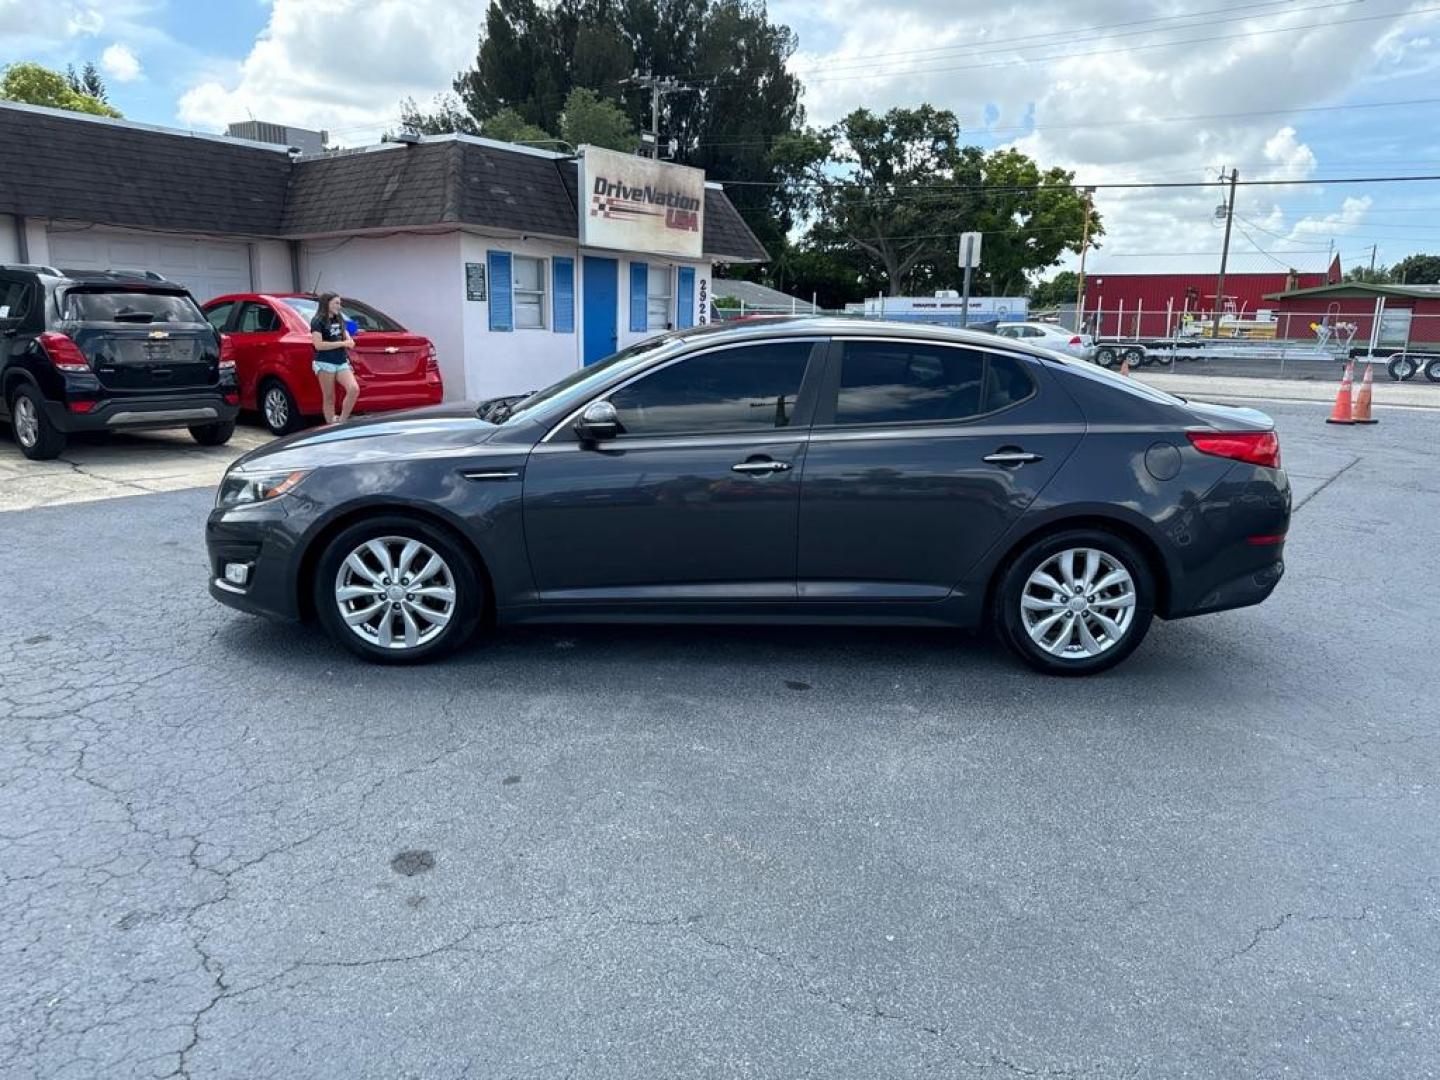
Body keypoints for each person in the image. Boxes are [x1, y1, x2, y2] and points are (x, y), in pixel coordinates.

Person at [310, 292, 359, 424]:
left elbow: (345, 331)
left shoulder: (338, 318)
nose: (339, 306)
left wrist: (348, 339)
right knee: (329, 397)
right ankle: (330, 425)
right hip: (325, 362)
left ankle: (342, 421)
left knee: (354, 389)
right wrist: (343, 343)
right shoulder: (317, 321)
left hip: (341, 361)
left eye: (340, 303)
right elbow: (318, 345)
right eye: (336, 303)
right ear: (327, 304)